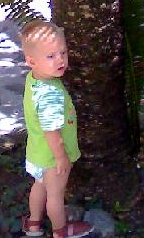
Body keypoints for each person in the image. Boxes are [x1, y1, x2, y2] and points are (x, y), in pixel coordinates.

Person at [20, 19, 94, 238]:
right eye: (50, 56)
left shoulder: (33, 80)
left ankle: (33, 224)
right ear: (31, 61)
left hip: (36, 153)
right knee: (55, 195)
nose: (60, 60)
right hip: (52, 158)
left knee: (39, 186)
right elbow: (52, 132)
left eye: (62, 52)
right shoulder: (50, 94)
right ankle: (60, 231)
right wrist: (61, 157)